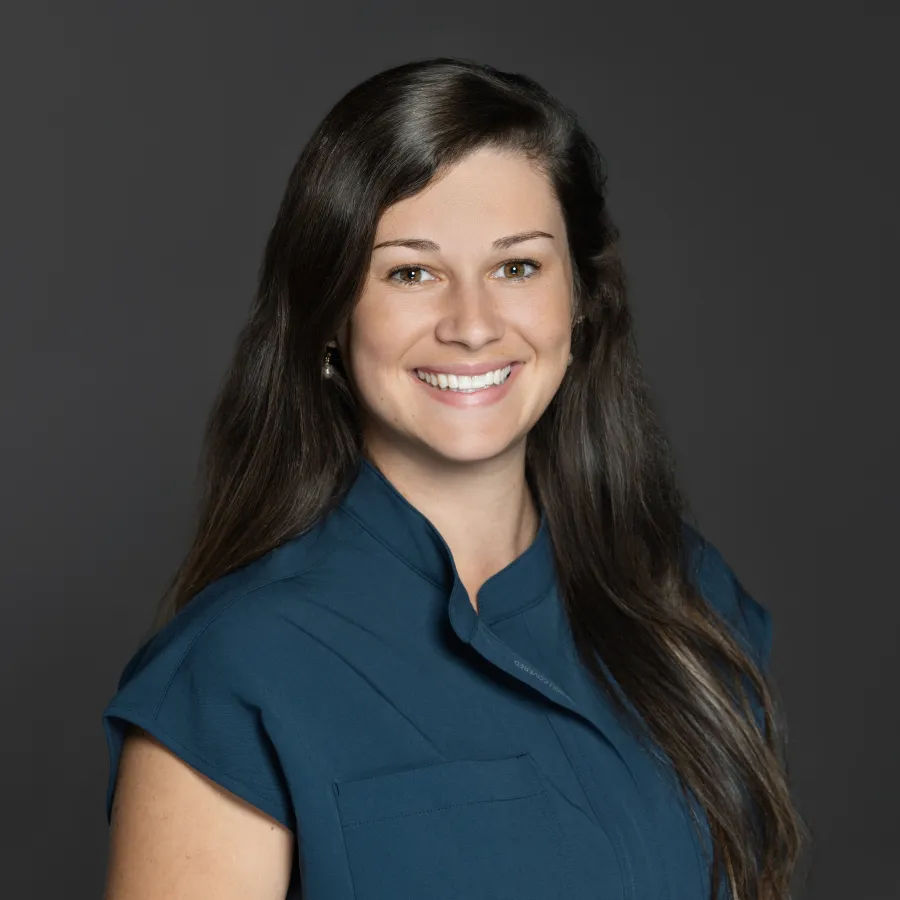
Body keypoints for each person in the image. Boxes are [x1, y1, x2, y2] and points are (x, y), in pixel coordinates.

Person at [100, 57, 805, 900]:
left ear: (581, 301)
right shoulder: (230, 672)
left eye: (517, 267)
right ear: (329, 314)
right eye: (411, 271)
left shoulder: (687, 599)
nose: (472, 325)